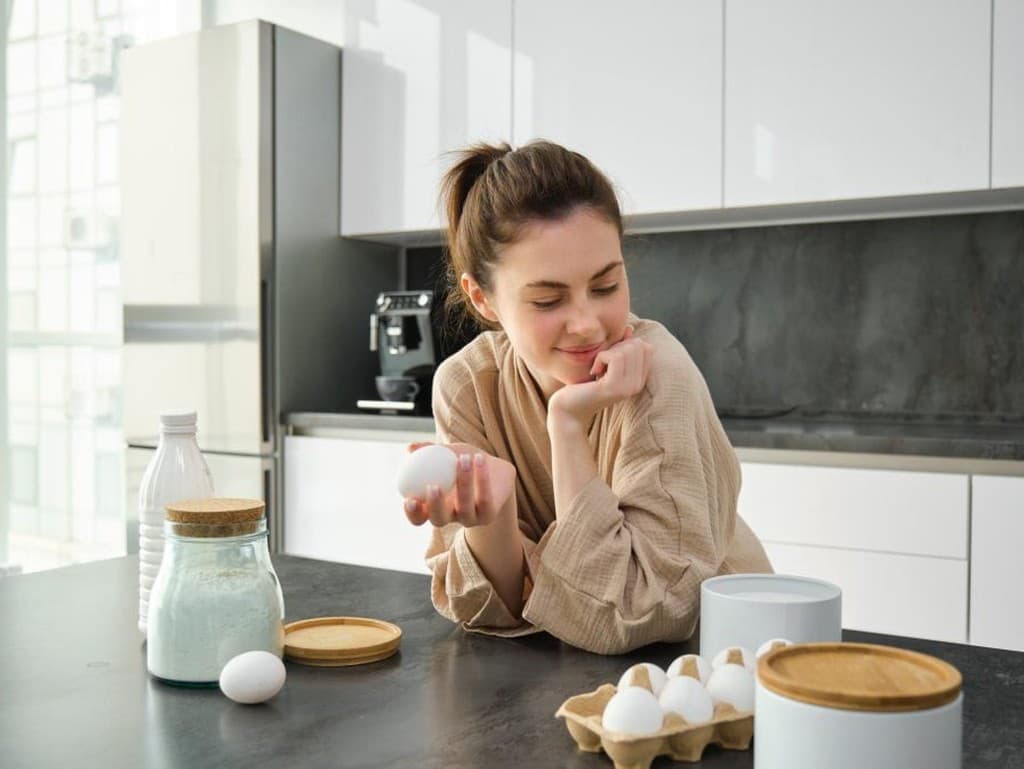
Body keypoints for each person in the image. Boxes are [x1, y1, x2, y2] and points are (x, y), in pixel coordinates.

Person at [401, 140, 772, 655]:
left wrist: (567, 423)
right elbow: (492, 610)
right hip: (574, 680)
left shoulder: (658, 374)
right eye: (548, 300)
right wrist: (493, 515)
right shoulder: (468, 386)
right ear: (482, 298)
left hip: (718, 664)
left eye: (605, 286)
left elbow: (637, 612)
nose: (587, 324)